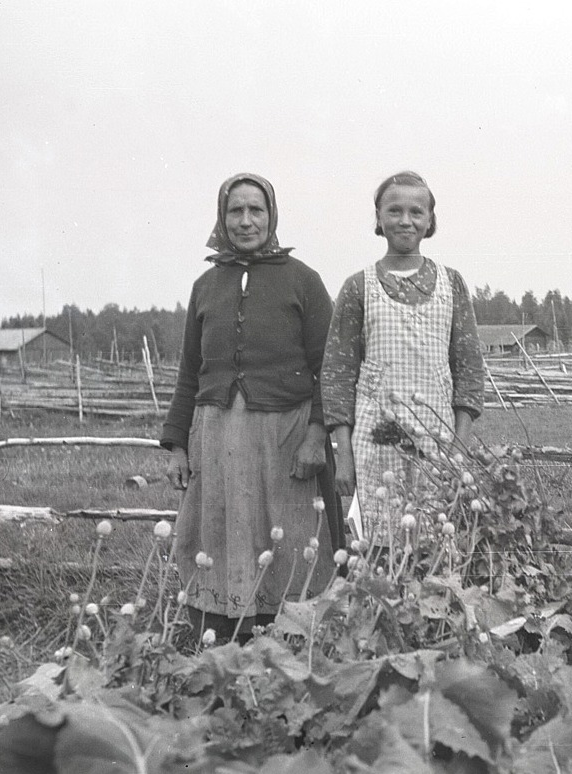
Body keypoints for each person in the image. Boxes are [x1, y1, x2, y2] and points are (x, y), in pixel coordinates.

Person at [161, 173, 341, 645]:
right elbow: (189, 372)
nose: (245, 221)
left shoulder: (303, 282)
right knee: (216, 531)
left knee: (287, 534)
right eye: (235, 211)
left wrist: (317, 436)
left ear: (272, 215)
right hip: (216, 434)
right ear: (222, 218)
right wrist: (177, 444)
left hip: (285, 436)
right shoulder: (206, 285)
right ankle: (220, 635)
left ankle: (292, 635)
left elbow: (331, 368)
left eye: (255, 210)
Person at [322, 171, 485, 534]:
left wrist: (458, 448)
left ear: (430, 221)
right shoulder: (358, 287)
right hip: (374, 442)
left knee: (435, 542)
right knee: (378, 547)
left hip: (437, 440)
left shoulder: (451, 283)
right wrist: (344, 457)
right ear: (379, 218)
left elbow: (469, 369)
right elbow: (337, 377)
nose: (405, 221)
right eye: (394, 211)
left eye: (417, 212)